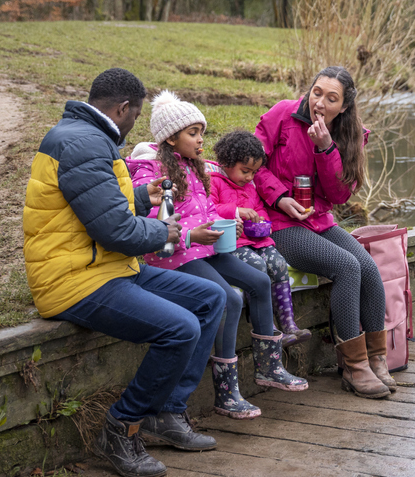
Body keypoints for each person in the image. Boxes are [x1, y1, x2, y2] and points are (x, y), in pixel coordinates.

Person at [22, 69, 225, 477]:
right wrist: (167, 229)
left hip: (104, 266)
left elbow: (91, 203)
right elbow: (113, 230)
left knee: (211, 297)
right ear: (123, 108)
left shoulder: (82, 136)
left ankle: (167, 412)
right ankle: (121, 427)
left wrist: (137, 196)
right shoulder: (83, 143)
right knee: (181, 327)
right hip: (74, 278)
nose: (134, 124)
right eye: (135, 115)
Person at [126, 91, 307, 421]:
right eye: (193, 134)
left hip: (206, 248)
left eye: (202, 133)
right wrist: (191, 234)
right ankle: (226, 392)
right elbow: (155, 230)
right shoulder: (154, 173)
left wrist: (227, 226)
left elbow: (206, 209)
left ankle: (269, 365)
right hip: (176, 256)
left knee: (259, 280)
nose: (200, 141)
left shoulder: (195, 169)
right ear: (170, 137)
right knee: (230, 299)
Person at [253, 65, 393, 399]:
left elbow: (339, 195)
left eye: (331, 99)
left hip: (318, 219)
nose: (320, 103)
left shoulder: (350, 134)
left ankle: (377, 358)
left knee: (369, 268)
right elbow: (251, 165)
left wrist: (325, 148)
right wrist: (280, 197)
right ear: (309, 90)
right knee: (346, 266)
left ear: (343, 107)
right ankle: (354, 367)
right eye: (317, 93)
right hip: (280, 221)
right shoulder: (282, 116)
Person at [209, 129, 313, 349]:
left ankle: (289, 323)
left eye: (253, 172)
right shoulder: (214, 182)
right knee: (256, 266)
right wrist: (238, 211)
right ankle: (270, 328)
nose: (249, 177)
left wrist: (262, 222)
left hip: (257, 240)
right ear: (227, 162)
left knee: (278, 263)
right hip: (234, 243)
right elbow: (210, 210)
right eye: (245, 170)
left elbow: (259, 210)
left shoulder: (250, 187)